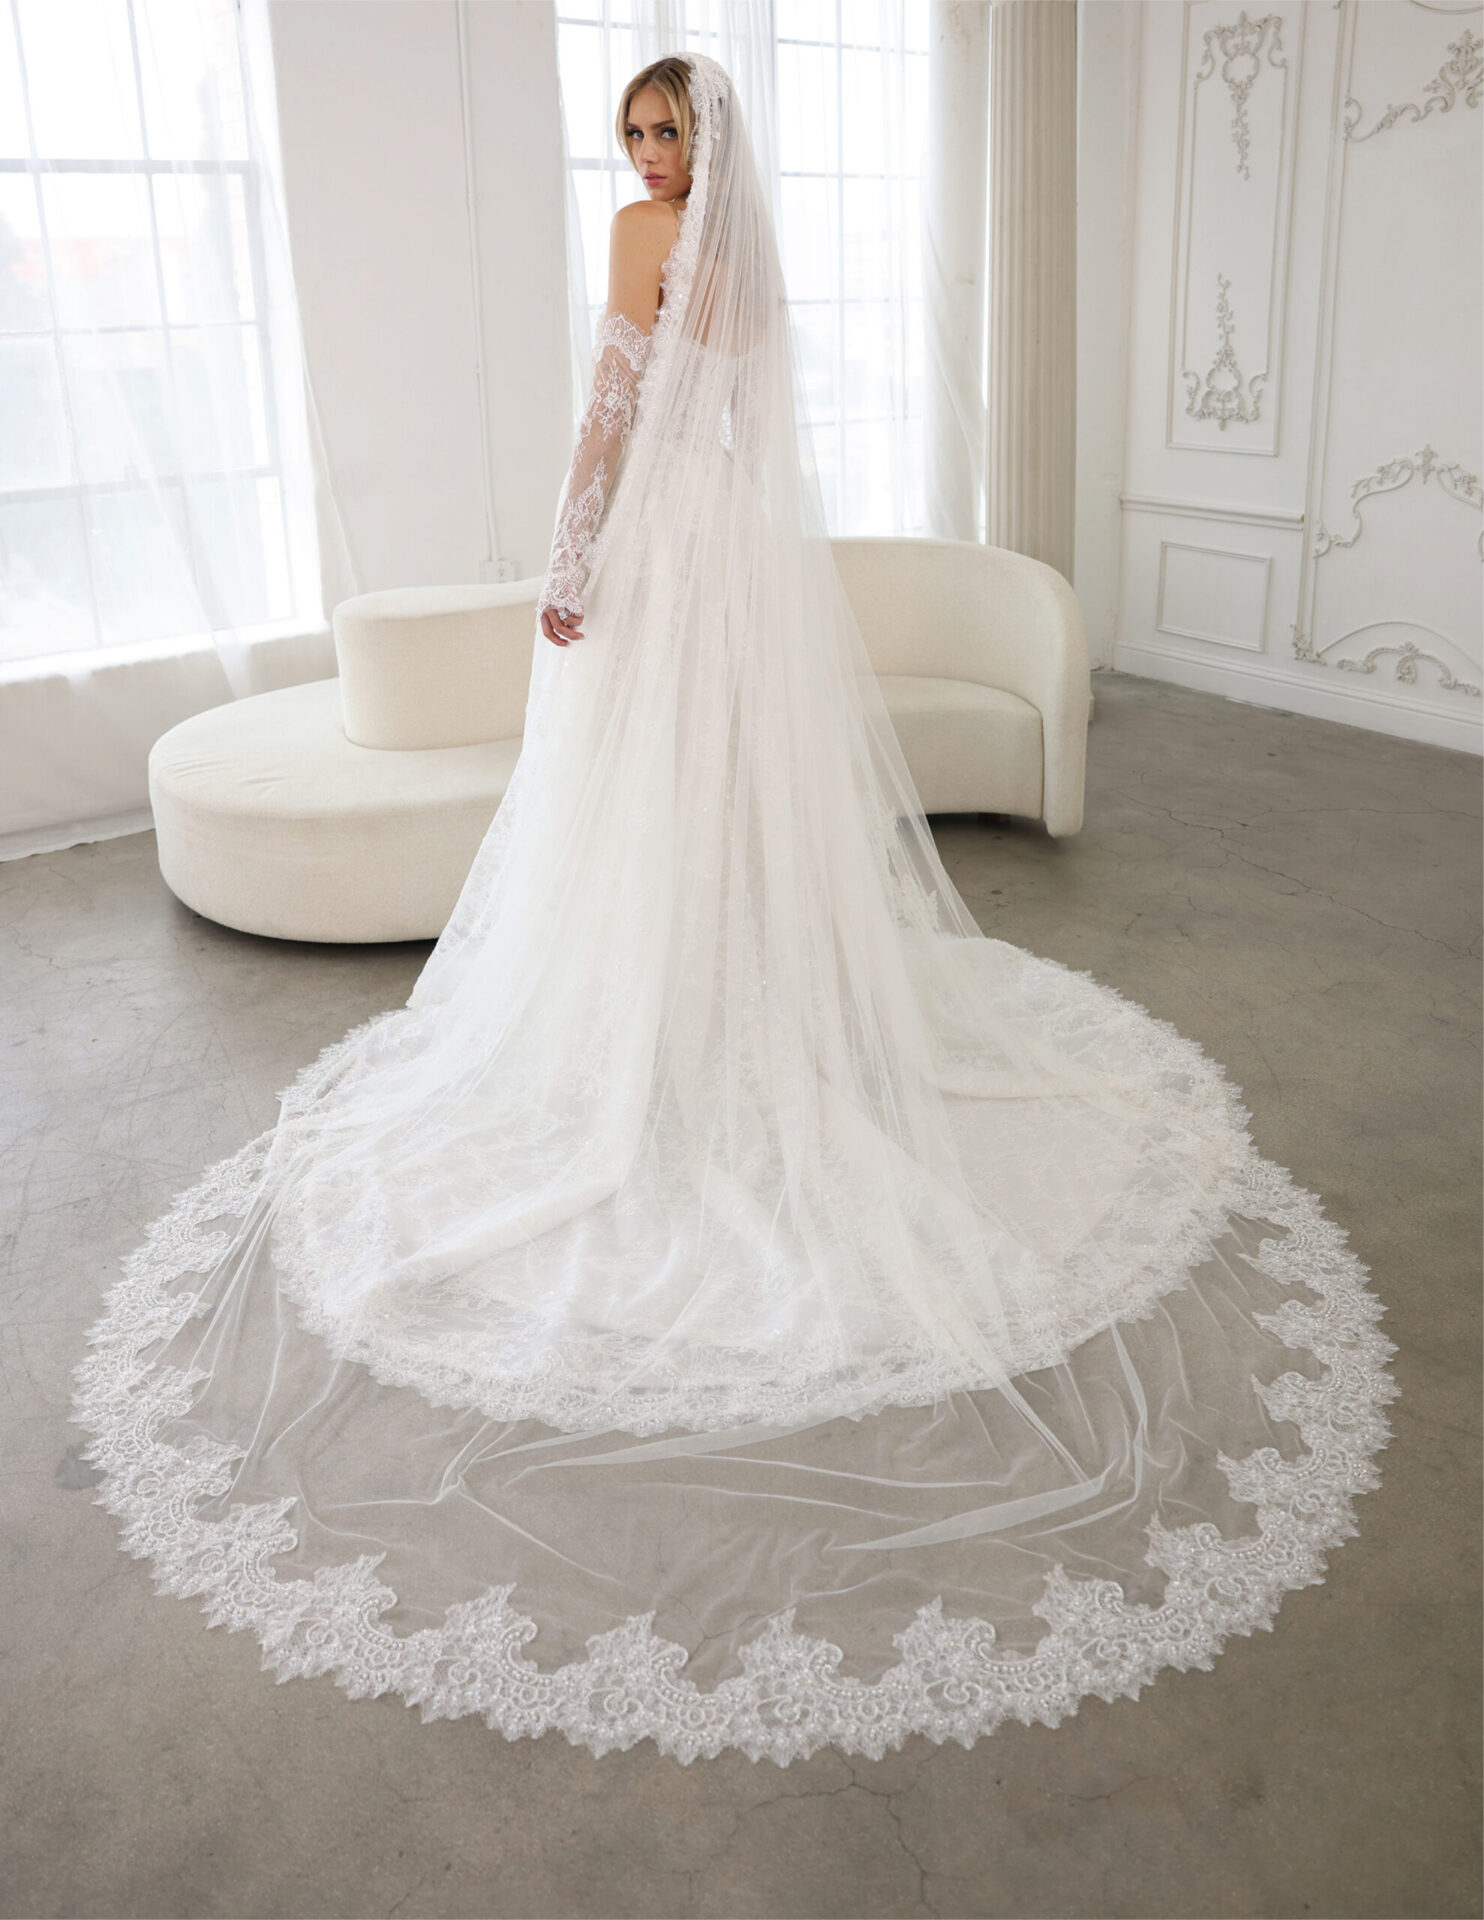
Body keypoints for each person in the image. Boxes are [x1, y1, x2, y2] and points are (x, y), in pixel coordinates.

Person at [74, 53, 1397, 1766]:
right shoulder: (755, 254)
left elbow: (609, 417)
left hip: (658, 552)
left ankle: (667, 1029)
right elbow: (751, 418)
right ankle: (743, 1001)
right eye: (634, 131)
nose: (646, 153)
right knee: (728, 791)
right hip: (744, 565)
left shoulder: (643, 239)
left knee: (647, 793)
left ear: (701, 142)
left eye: (665, 129)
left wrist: (569, 561)